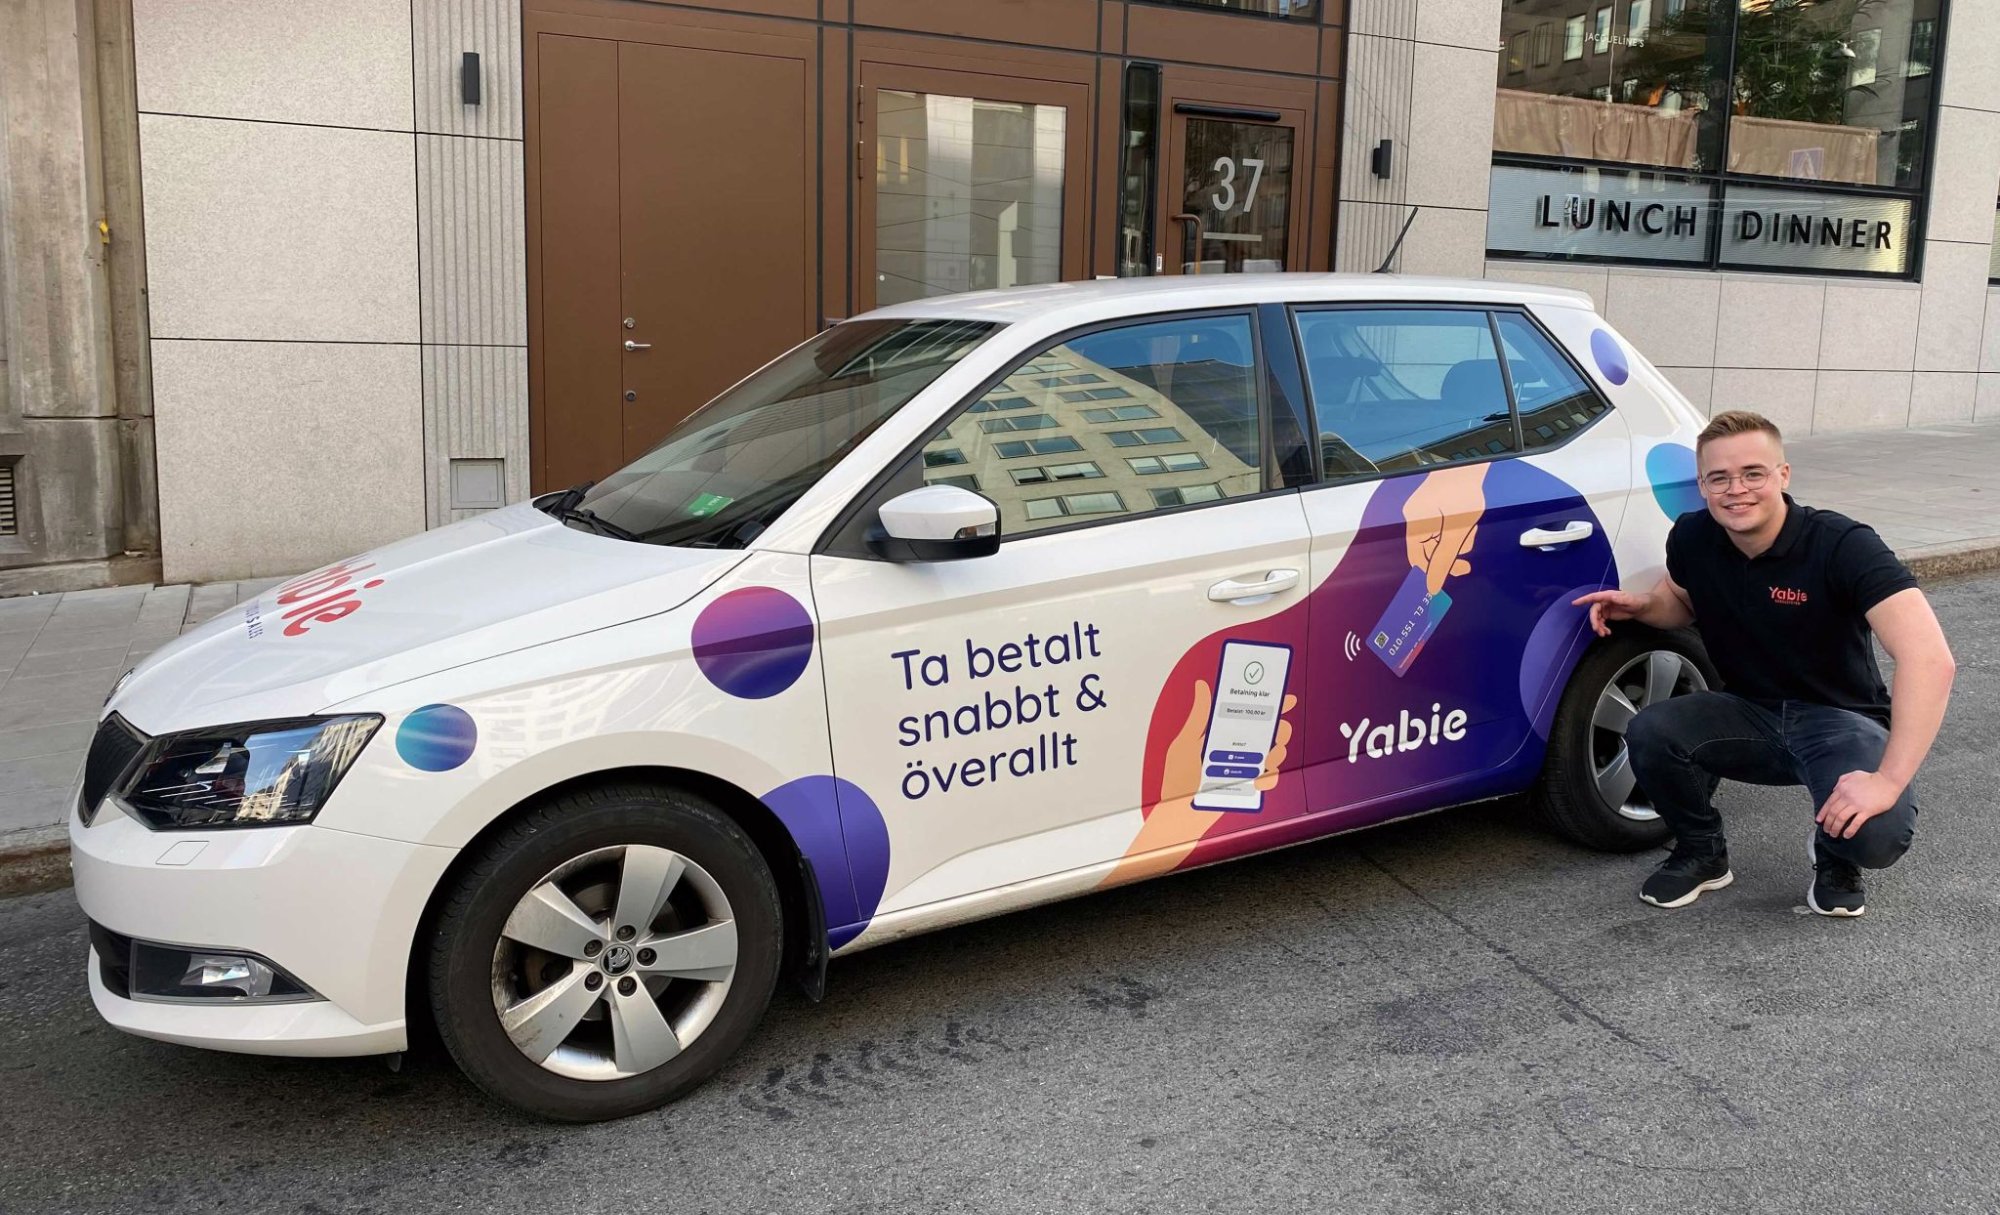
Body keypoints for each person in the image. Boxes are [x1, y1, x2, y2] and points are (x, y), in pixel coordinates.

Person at [1572, 410, 1955, 917]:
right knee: (1652, 730)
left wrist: (1886, 781)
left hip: (1840, 721)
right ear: (1703, 486)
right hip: (1747, 712)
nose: (1737, 490)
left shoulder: (1843, 545)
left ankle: (1837, 855)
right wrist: (1643, 606)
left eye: (1753, 473)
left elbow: (1930, 660)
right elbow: (1680, 600)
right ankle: (1703, 853)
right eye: (1719, 478)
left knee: (1877, 835)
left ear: (1783, 475)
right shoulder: (1693, 536)